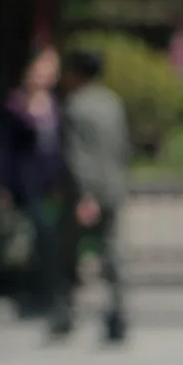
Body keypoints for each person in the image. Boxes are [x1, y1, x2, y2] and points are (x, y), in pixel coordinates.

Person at [0, 44, 69, 336]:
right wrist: (3, 186)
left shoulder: (56, 104)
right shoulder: (16, 104)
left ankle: (53, 295)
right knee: (35, 239)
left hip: (54, 184)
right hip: (28, 183)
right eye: (43, 67)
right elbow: (6, 151)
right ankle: (36, 294)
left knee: (52, 241)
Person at [60, 45, 131, 346]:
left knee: (68, 254)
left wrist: (85, 194)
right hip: (114, 187)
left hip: (85, 192)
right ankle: (118, 313)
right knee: (112, 253)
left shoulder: (75, 106)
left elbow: (77, 156)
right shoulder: (112, 103)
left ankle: (66, 314)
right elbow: (123, 146)